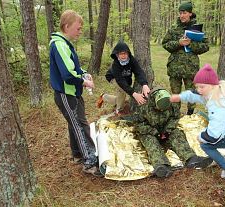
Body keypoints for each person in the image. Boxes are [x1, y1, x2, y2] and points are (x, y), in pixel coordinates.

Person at [170, 64, 225, 180]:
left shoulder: (218, 103)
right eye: (197, 87)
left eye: (202, 87)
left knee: (206, 145)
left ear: (212, 85)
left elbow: (214, 134)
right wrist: (180, 97)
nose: (199, 90)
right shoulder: (220, 92)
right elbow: (195, 95)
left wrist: (201, 136)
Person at [49, 10, 101, 176]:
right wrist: (84, 82)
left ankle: (78, 155)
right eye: (78, 28)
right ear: (66, 26)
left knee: (76, 123)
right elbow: (67, 75)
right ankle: (90, 161)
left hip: (72, 92)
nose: (80, 31)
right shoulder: (59, 45)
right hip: (66, 93)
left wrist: (83, 73)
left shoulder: (65, 44)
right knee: (79, 125)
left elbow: (73, 69)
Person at [134, 87, 213, 178]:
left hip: (166, 129)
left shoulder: (173, 103)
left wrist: (167, 130)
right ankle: (161, 166)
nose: (162, 111)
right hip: (150, 132)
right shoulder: (143, 106)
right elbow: (139, 125)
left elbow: (174, 118)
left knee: (177, 135)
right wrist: (155, 133)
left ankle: (191, 159)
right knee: (151, 143)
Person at [162, 1, 209, 115]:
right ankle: (175, 115)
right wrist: (179, 43)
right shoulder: (173, 29)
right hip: (175, 68)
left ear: (190, 13)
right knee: (175, 93)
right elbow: (165, 44)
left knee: (192, 94)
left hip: (190, 69)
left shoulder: (197, 29)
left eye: (184, 13)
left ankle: (190, 115)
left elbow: (206, 46)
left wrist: (190, 44)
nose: (182, 15)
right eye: (180, 13)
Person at [97, 41, 150, 114]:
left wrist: (144, 84)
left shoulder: (131, 60)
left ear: (128, 53)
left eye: (125, 53)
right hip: (113, 77)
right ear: (117, 55)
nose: (123, 55)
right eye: (121, 54)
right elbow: (120, 81)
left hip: (126, 78)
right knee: (122, 91)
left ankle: (104, 97)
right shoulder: (115, 64)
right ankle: (118, 111)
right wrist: (134, 94)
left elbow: (138, 72)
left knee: (120, 98)